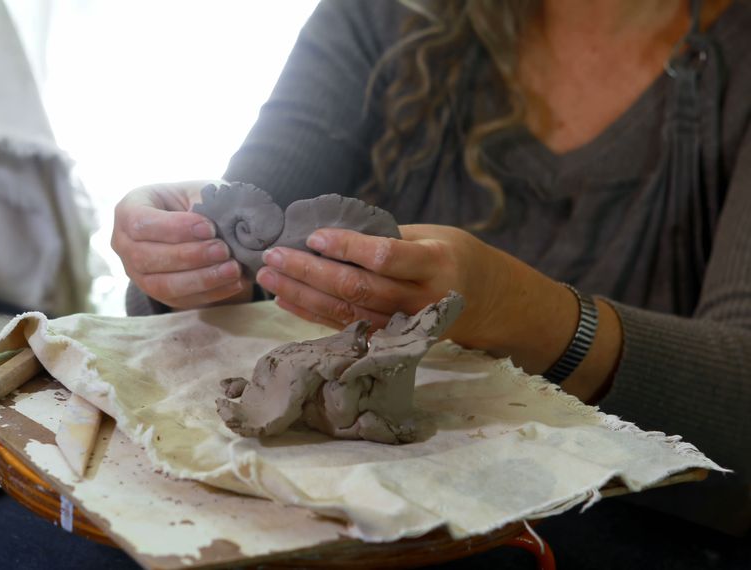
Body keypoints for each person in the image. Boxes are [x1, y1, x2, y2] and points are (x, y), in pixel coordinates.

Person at [112, 0, 751, 534]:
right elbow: (246, 241)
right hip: (330, 513)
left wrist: (520, 311)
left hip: (640, 532)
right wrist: (179, 255)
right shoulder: (386, 14)